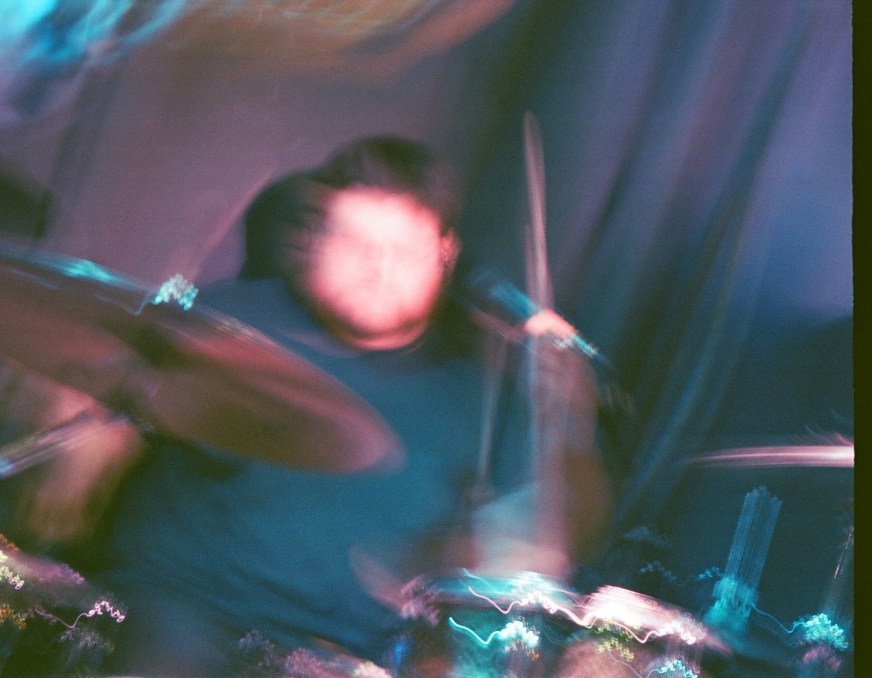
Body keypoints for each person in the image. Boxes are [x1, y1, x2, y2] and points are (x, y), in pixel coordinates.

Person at [65, 135, 609, 676]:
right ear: (314, 237)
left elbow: (550, 544)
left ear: (446, 253)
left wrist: (568, 417)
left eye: (404, 251)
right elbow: (98, 427)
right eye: (354, 242)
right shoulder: (223, 324)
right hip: (182, 616)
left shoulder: (478, 393)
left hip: (352, 656)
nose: (378, 269)